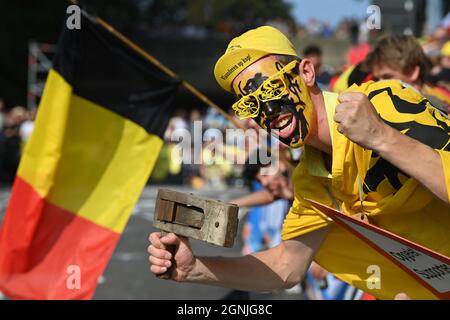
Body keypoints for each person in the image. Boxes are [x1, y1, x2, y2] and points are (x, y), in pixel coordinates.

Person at [148, 26, 450, 300]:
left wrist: (381, 137)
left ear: (306, 72)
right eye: (250, 103)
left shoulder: (383, 101)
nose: (266, 110)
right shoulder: (311, 178)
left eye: (269, 89)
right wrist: (194, 269)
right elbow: (286, 265)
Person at [364, 34, 449, 113]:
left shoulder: (438, 106)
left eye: (387, 77)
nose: (378, 84)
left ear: (412, 72)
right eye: (377, 79)